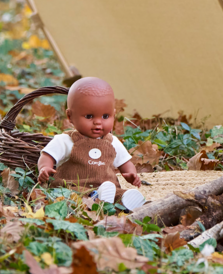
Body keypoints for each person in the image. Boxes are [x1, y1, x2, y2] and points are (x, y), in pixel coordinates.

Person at [37, 76, 145, 210]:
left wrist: (130, 174)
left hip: (107, 187)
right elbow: (47, 155)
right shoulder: (65, 140)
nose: (98, 122)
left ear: (114, 114)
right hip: (74, 187)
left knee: (117, 193)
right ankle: (97, 199)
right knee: (69, 195)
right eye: (89, 116)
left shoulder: (112, 142)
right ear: (70, 116)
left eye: (105, 116)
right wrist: (45, 168)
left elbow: (125, 163)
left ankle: (125, 199)